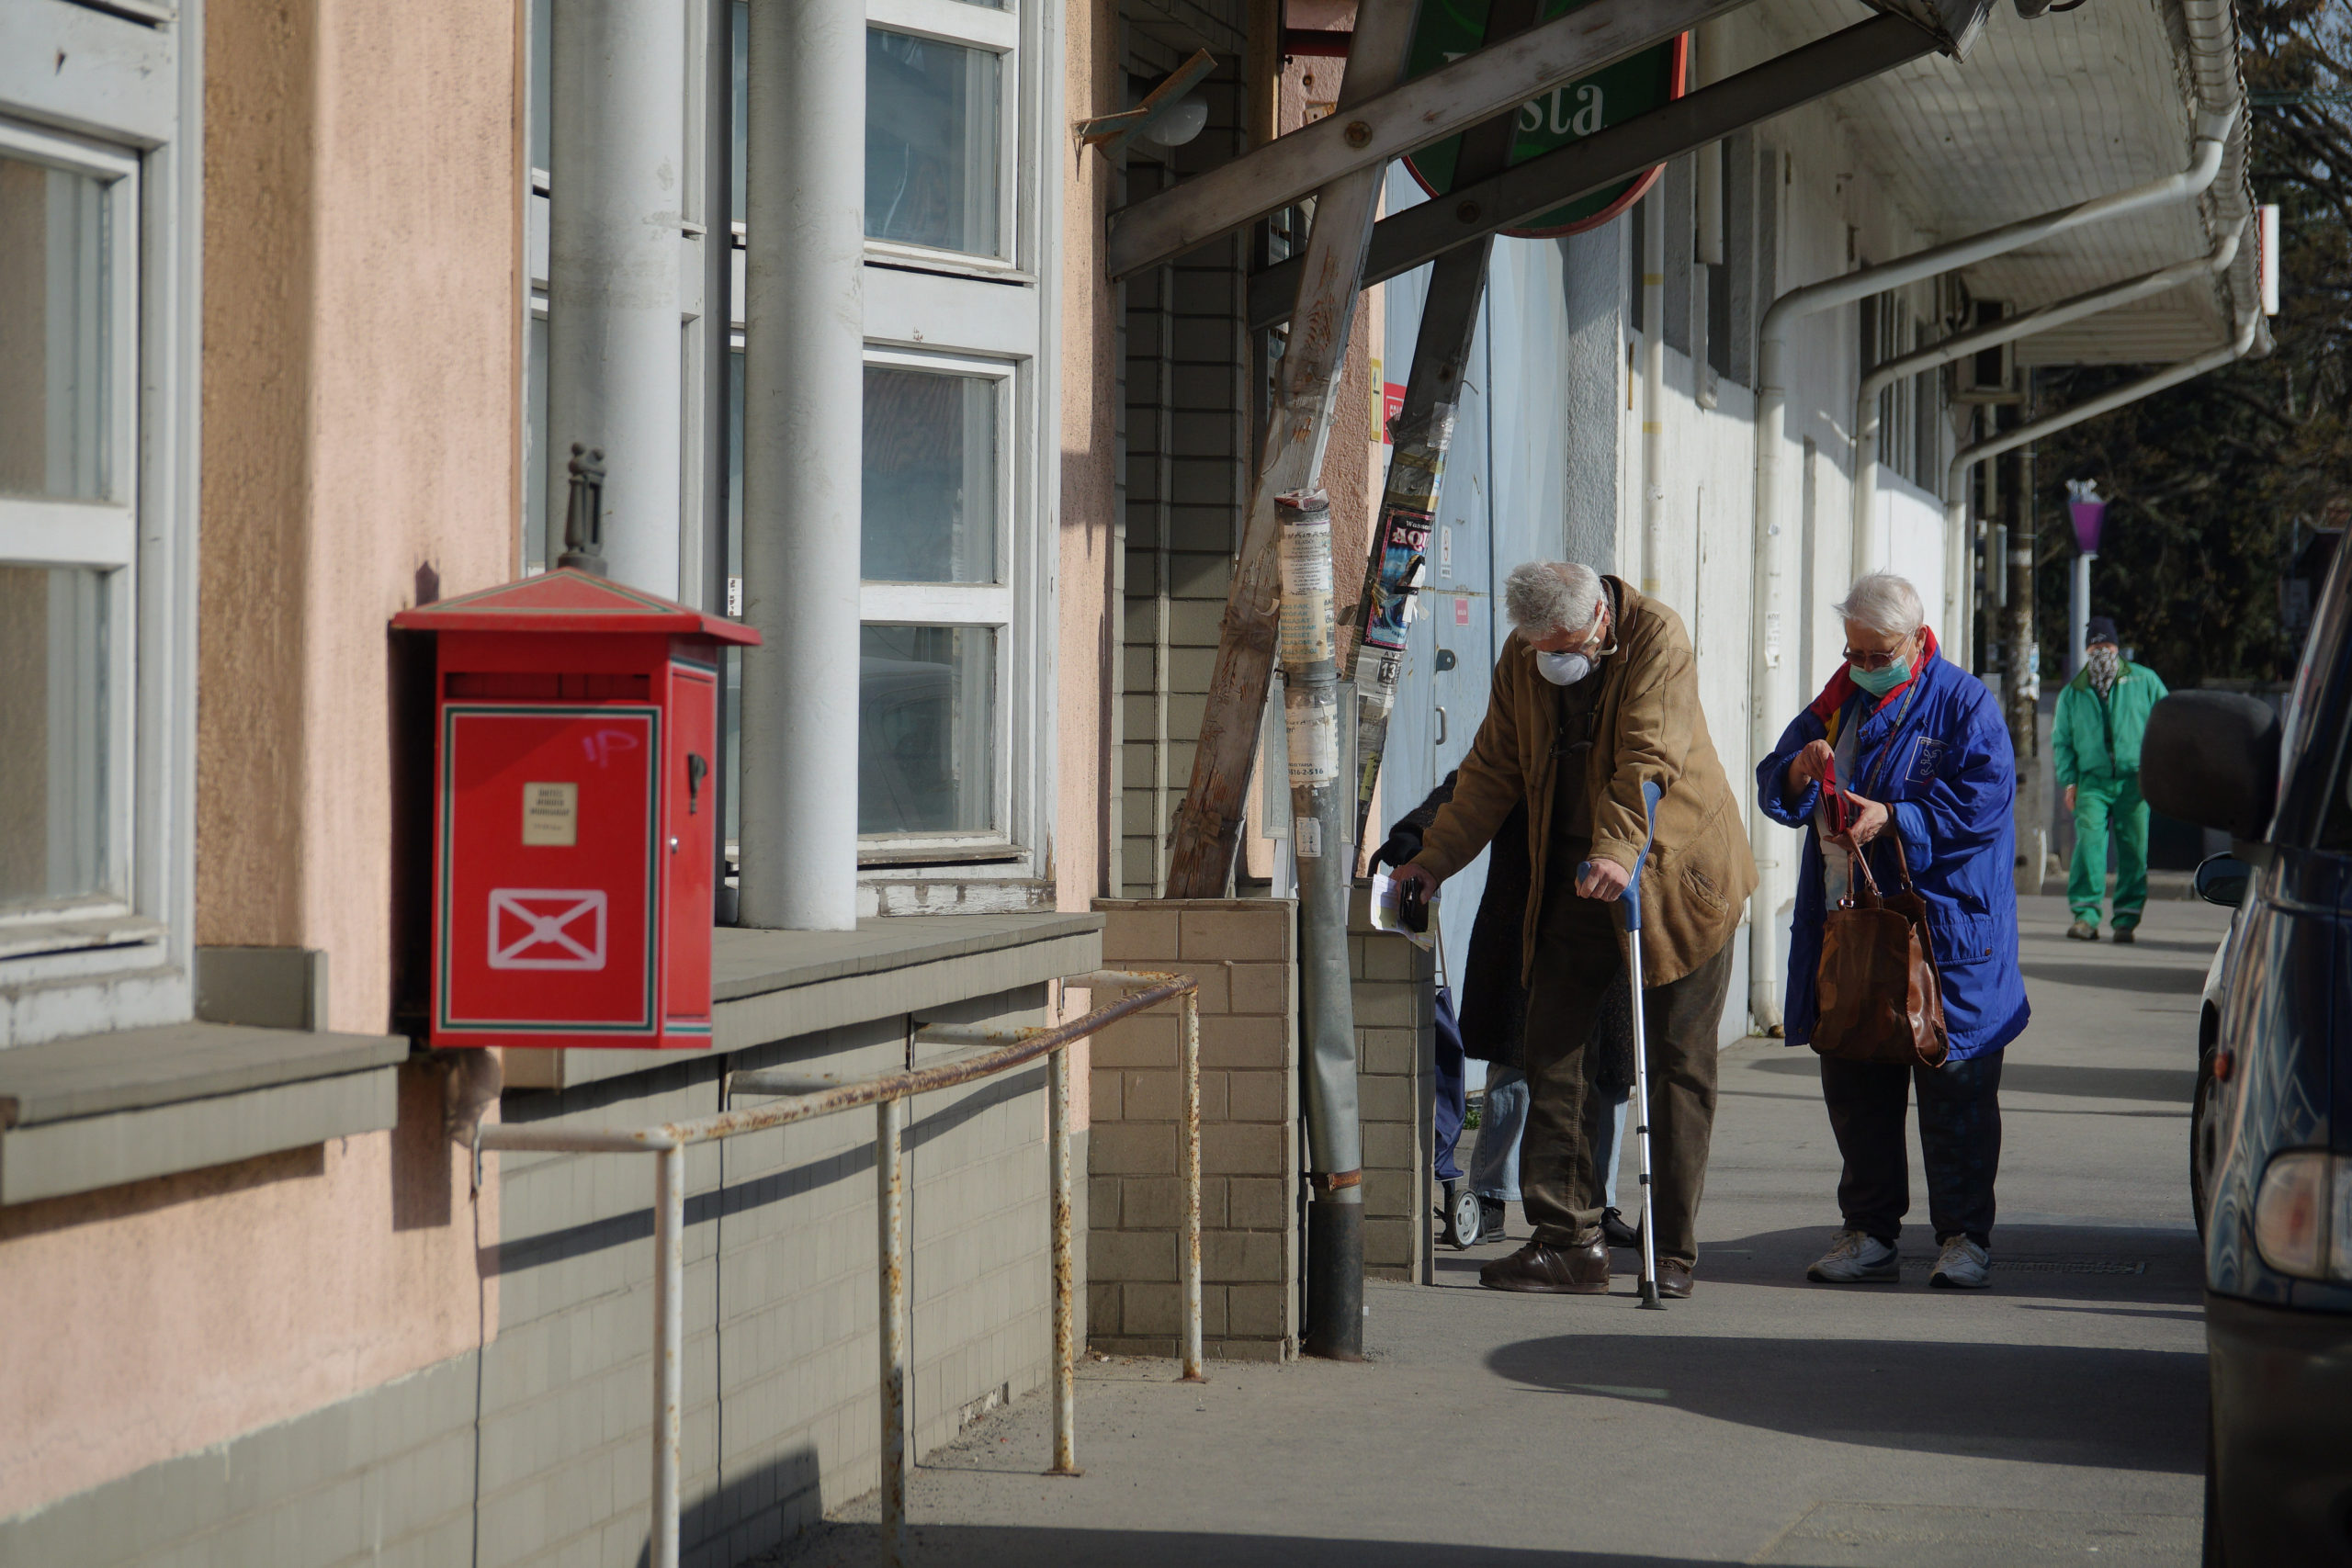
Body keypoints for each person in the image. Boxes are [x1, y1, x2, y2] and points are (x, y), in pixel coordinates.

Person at [1391, 561, 1756, 1298]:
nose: (1552, 658)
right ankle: (1567, 1239)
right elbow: (1491, 767)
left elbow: (1645, 761)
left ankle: (1672, 1250)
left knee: (1678, 1066)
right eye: (1538, 646)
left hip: (1676, 877)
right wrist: (1432, 860)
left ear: (1599, 619)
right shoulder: (1525, 658)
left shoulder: (1658, 637)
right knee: (1552, 1047)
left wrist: (1618, 853)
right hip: (1574, 878)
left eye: (1564, 643)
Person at [1756, 571, 2030, 1291]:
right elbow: (1776, 782)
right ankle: (1871, 1233)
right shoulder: (1837, 703)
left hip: (1946, 938)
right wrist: (1798, 771)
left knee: (1957, 1097)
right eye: (1855, 653)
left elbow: (1982, 805)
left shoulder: (1965, 703)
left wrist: (1896, 817)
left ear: (1916, 639)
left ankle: (1965, 1237)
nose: (1865, 667)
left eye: (1879, 653)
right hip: (1852, 932)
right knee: (1856, 1083)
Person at [1373, 782, 1638, 1251]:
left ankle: (1601, 1201)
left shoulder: (1623, 753)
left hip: (1603, 920)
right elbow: (1470, 789)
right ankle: (1493, 1196)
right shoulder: (1527, 737)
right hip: (1525, 919)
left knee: (1610, 1075)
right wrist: (1417, 832)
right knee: (1514, 1066)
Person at [2053, 616, 2168, 944]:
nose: (2101, 651)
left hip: (2136, 780)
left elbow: (2166, 724)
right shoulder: (2073, 692)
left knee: (2133, 849)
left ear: (2117, 647)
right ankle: (2085, 916)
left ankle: (2126, 920)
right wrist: (2070, 782)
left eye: (2106, 645)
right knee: (2089, 847)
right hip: (2091, 782)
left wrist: (2159, 770)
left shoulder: (2145, 682)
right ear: (2087, 649)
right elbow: (2062, 741)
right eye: (2095, 646)